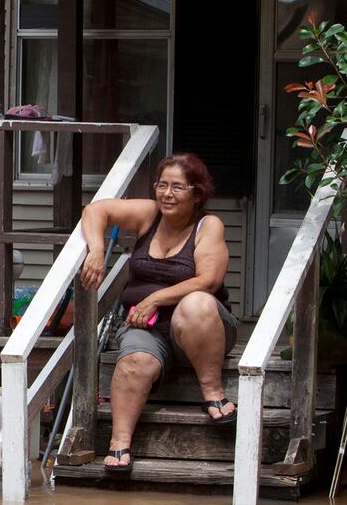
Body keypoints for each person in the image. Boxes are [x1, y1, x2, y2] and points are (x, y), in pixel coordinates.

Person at [76, 151, 236, 475]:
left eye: (178, 187)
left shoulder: (208, 226)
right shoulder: (150, 215)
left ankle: (213, 392)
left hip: (201, 326)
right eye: (162, 185)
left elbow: (209, 280)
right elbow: (95, 210)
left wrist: (157, 298)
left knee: (195, 302)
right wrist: (95, 250)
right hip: (144, 325)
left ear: (196, 192)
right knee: (135, 360)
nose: (167, 193)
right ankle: (119, 443)